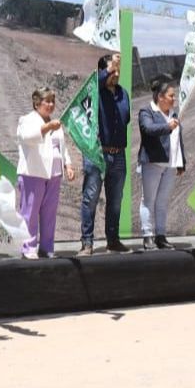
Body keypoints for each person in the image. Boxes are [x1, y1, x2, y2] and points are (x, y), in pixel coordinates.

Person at [79, 53, 130, 255]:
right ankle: (87, 242)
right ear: (101, 71)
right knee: (90, 198)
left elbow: (124, 119)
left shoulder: (123, 93)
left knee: (115, 201)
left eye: (118, 70)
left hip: (118, 155)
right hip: (97, 154)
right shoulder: (94, 92)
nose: (116, 73)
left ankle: (113, 239)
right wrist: (107, 71)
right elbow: (93, 82)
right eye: (111, 70)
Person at [16, 87, 74, 260]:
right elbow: (27, 137)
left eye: (52, 101)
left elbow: (61, 147)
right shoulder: (27, 119)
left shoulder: (55, 123)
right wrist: (47, 127)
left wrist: (68, 165)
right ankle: (28, 248)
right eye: (46, 101)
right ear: (36, 103)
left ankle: (47, 247)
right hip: (33, 173)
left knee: (49, 213)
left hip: (54, 174)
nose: (50, 105)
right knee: (30, 213)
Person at [138, 80, 185, 250]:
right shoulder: (147, 111)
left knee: (163, 202)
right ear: (160, 97)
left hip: (171, 165)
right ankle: (147, 236)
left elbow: (178, 139)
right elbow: (148, 129)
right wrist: (167, 127)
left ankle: (160, 236)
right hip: (153, 162)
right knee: (148, 200)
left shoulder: (174, 114)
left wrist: (181, 162)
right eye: (171, 96)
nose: (174, 99)